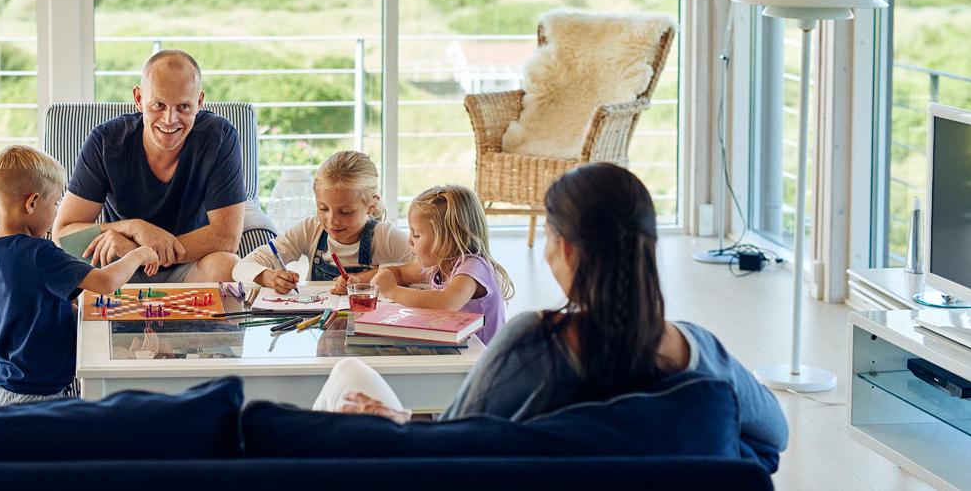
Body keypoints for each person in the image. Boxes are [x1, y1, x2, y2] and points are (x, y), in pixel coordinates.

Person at [312, 163, 788, 473]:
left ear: (565, 249)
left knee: (348, 373)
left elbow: (453, 446)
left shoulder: (535, 343)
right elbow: (775, 436)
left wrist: (400, 421)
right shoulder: (700, 352)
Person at [0, 145, 157, 406]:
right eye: (54, 203)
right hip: (39, 395)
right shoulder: (40, 253)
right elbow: (105, 282)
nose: (55, 213)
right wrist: (140, 254)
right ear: (32, 203)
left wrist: (11, 306)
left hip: (5, 389)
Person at [54, 50, 245, 283]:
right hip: (122, 267)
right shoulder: (105, 142)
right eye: (158, 105)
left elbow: (226, 237)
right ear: (139, 99)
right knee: (74, 274)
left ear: (199, 102)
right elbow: (62, 235)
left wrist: (141, 251)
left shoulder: (219, 136)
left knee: (227, 266)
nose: (169, 120)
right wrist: (132, 228)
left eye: (183, 107)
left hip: (186, 264)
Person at [232, 151, 412, 293]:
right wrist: (269, 277)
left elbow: (424, 271)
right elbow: (240, 268)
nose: (332, 221)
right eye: (323, 209)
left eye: (345, 212)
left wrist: (368, 278)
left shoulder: (385, 236)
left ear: (371, 206)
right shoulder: (311, 229)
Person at [355, 184, 512, 347]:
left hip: (482, 356)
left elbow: (446, 304)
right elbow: (401, 273)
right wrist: (360, 280)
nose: (409, 240)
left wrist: (392, 290)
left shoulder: (473, 268)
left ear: (447, 240)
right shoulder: (440, 264)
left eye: (416, 234)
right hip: (459, 348)